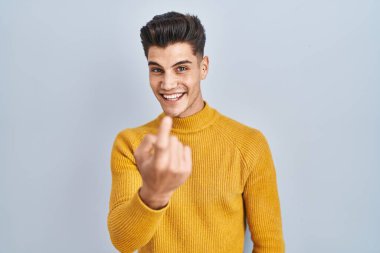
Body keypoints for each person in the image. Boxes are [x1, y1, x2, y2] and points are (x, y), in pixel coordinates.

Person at [107, 11, 285, 253]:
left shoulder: (249, 144)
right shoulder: (131, 144)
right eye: (157, 70)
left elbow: (269, 246)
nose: (168, 84)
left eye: (181, 68)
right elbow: (123, 242)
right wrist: (154, 194)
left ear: (203, 68)